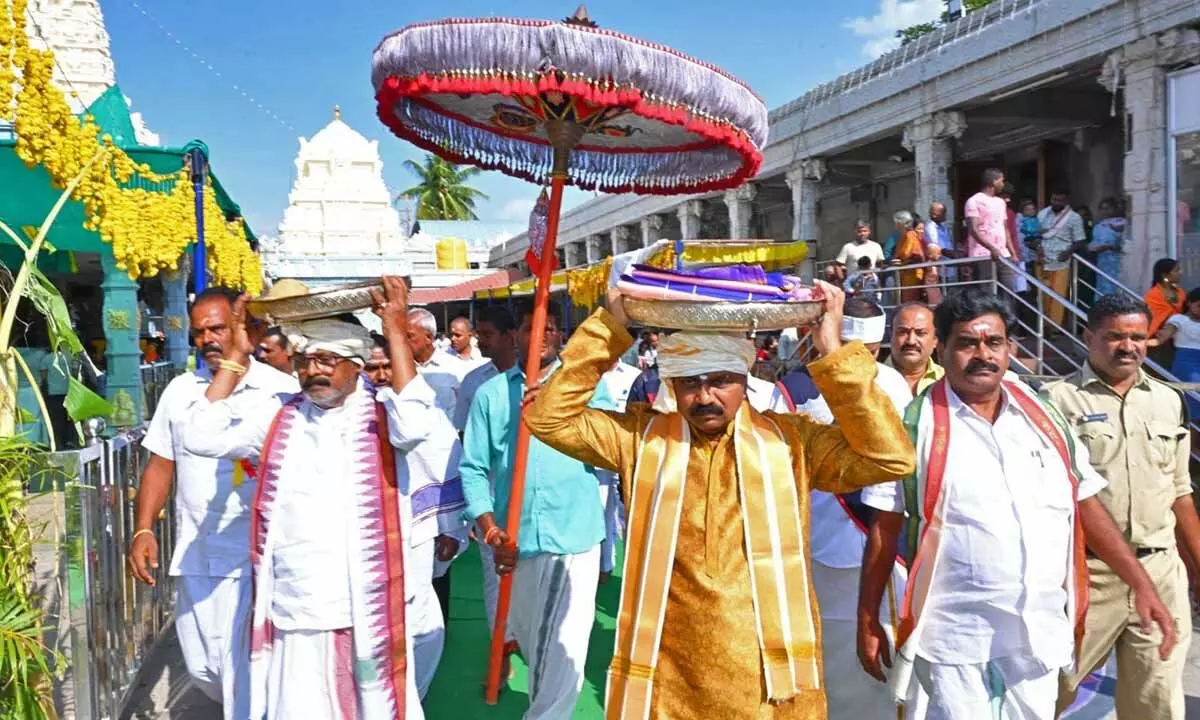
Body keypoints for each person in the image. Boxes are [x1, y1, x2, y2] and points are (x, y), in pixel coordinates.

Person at [522, 281, 915, 718]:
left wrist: (832, 352)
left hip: (769, 684)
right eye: (690, 382)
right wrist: (609, 329)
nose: (705, 397)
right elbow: (548, 417)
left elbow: (890, 457)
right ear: (671, 383)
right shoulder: (639, 439)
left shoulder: (792, 443)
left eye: (721, 381)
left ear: (745, 379)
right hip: (666, 676)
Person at [858, 287, 1177, 719]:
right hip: (956, 635)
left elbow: (1084, 502)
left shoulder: (1043, 419)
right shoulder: (914, 429)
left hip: (1038, 634)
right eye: (967, 343)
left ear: (1010, 348)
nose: (982, 355)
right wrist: (868, 617)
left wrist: (1140, 583)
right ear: (943, 349)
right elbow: (884, 528)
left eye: (994, 342)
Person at [180, 277, 465, 719]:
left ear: (355, 363)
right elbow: (198, 434)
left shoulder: (383, 417)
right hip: (290, 611)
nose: (315, 370)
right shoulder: (277, 419)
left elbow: (417, 424)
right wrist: (236, 355)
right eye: (306, 360)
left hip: (361, 612)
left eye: (328, 359)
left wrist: (393, 331)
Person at [128, 287, 300, 719]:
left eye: (218, 328)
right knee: (206, 670)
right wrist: (144, 528)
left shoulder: (281, 391)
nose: (207, 338)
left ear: (242, 329)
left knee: (244, 671)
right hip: (198, 555)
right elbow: (160, 463)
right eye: (199, 331)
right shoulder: (181, 390)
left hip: (257, 560)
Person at [1045, 293, 1199, 719]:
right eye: (1114, 336)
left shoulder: (1168, 401)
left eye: (1138, 337)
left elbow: (1180, 493)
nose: (1127, 346)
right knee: (1047, 689)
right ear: (1088, 336)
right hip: (1086, 575)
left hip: (1159, 571)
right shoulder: (1055, 403)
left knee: (1157, 702)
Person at [771, 297, 912, 720]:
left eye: (869, 353)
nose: (860, 359)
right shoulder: (794, 389)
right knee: (818, 656)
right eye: (849, 346)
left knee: (877, 660)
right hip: (811, 543)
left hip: (878, 541)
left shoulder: (891, 384)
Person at [460, 306, 605, 718]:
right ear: (516, 337)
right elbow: (473, 468)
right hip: (515, 541)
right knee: (534, 643)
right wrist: (490, 531)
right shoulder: (491, 394)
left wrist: (563, 411)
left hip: (573, 536)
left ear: (560, 337)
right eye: (529, 328)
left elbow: (610, 449)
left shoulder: (584, 388)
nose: (540, 336)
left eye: (550, 328)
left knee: (564, 649)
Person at [453, 306, 517, 434]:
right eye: (479, 335)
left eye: (487, 335)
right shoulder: (472, 381)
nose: (480, 341)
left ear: (509, 335)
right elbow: (464, 432)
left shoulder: (532, 377)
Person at [964, 168, 1017, 305]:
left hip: (1003, 255)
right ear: (993, 182)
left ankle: (1007, 323)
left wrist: (1012, 253)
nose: (1003, 184)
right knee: (985, 293)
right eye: (1001, 180)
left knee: (1008, 292)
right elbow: (974, 230)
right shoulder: (974, 201)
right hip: (982, 255)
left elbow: (1005, 228)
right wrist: (992, 248)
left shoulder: (1001, 202)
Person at [1037, 190, 1088, 329]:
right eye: (1054, 199)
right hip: (1042, 261)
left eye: (1060, 200)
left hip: (1061, 262)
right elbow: (1034, 235)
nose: (1056, 203)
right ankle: (1044, 326)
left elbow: (1081, 240)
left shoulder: (1074, 218)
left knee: (1058, 296)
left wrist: (1068, 252)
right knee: (1043, 297)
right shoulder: (1042, 214)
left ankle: (1054, 328)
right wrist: (1036, 246)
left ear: (1066, 201)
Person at [1152, 287, 1200, 419]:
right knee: (1191, 408)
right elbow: (1161, 339)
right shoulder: (1179, 319)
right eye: (1199, 305)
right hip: (1187, 366)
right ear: (1189, 303)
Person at [407, 307, 461, 423]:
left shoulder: (454, 367)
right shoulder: (401, 370)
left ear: (428, 338)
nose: (404, 341)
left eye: (409, 336)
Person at [885, 302, 943, 395]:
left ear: (935, 340)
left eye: (920, 333)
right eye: (903, 332)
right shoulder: (871, 380)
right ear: (891, 336)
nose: (911, 341)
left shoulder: (948, 382)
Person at [1089, 198, 1126, 297]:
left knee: (1117, 286)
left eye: (1108, 208)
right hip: (1103, 262)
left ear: (1115, 209)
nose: (1105, 211)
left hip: (1117, 262)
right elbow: (1094, 242)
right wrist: (1091, 248)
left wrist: (1110, 247)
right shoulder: (1098, 225)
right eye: (1102, 209)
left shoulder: (1123, 223)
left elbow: (1127, 244)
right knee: (1103, 287)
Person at [893, 210, 927, 304]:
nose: (895, 225)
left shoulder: (910, 235)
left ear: (901, 223)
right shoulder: (903, 236)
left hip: (913, 275)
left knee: (911, 303)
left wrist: (902, 263)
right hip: (905, 275)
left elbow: (917, 257)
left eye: (896, 222)